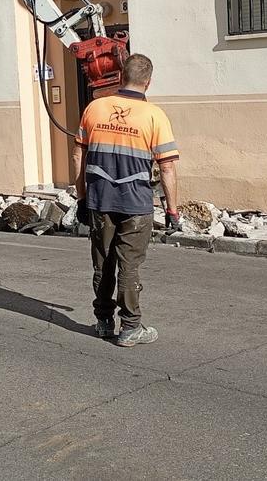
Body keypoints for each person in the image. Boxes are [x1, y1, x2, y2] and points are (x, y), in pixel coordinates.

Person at [73, 54, 180, 348]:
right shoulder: (155, 116)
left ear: (121, 77)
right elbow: (167, 167)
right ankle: (131, 328)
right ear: (148, 82)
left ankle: (104, 322)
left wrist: (82, 197)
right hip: (135, 204)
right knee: (128, 266)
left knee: (103, 263)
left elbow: (77, 155)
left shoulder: (94, 108)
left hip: (99, 200)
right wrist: (172, 210)